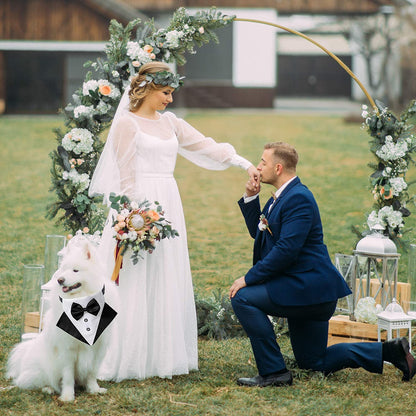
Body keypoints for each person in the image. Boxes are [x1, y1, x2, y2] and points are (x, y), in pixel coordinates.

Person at [88, 61, 259, 381]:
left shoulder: (171, 124)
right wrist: (134, 219)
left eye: (171, 93)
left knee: (165, 273)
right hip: (138, 209)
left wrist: (243, 162)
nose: (169, 99)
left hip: (169, 201)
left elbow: (207, 147)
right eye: (165, 92)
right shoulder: (126, 124)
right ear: (148, 88)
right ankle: (128, 356)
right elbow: (125, 175)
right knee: (137, 277)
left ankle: (162, 356)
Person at [229, 141, 416, 387]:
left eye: (263, 162)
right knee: (314, 361)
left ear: (277, 168)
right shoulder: (281, 197)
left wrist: (248, 278)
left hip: (308, 291)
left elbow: (286, 251)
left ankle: (274, 372)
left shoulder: (299, 199)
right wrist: (252, 198)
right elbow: (261, 234)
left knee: (242, 297)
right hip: (304, 291)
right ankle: (390, 352)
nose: (258, 166)